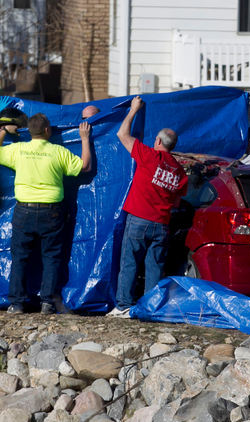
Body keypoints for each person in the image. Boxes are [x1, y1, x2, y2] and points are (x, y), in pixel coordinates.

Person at [0, 114, 92, 315]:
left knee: (19, 257)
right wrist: (85, 138)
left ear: (29, 131)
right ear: (48, 130)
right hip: (51, 212)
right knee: (51, 258)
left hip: (24, 210)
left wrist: (3, 131)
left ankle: (17, 304)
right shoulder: (58, 152)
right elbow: (85, 166)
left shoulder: (18, 149)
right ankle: (47, 303)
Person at [107, 96, 188, 318]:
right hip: (162, 225)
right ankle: (150, 308)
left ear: (158, 141)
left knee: (130, 264)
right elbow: (176, 202)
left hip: (139, 220)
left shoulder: (150, 156)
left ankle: (124, 306)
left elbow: (122, 134)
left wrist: (133, 110)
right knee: (155, 267)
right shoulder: (180, 171)